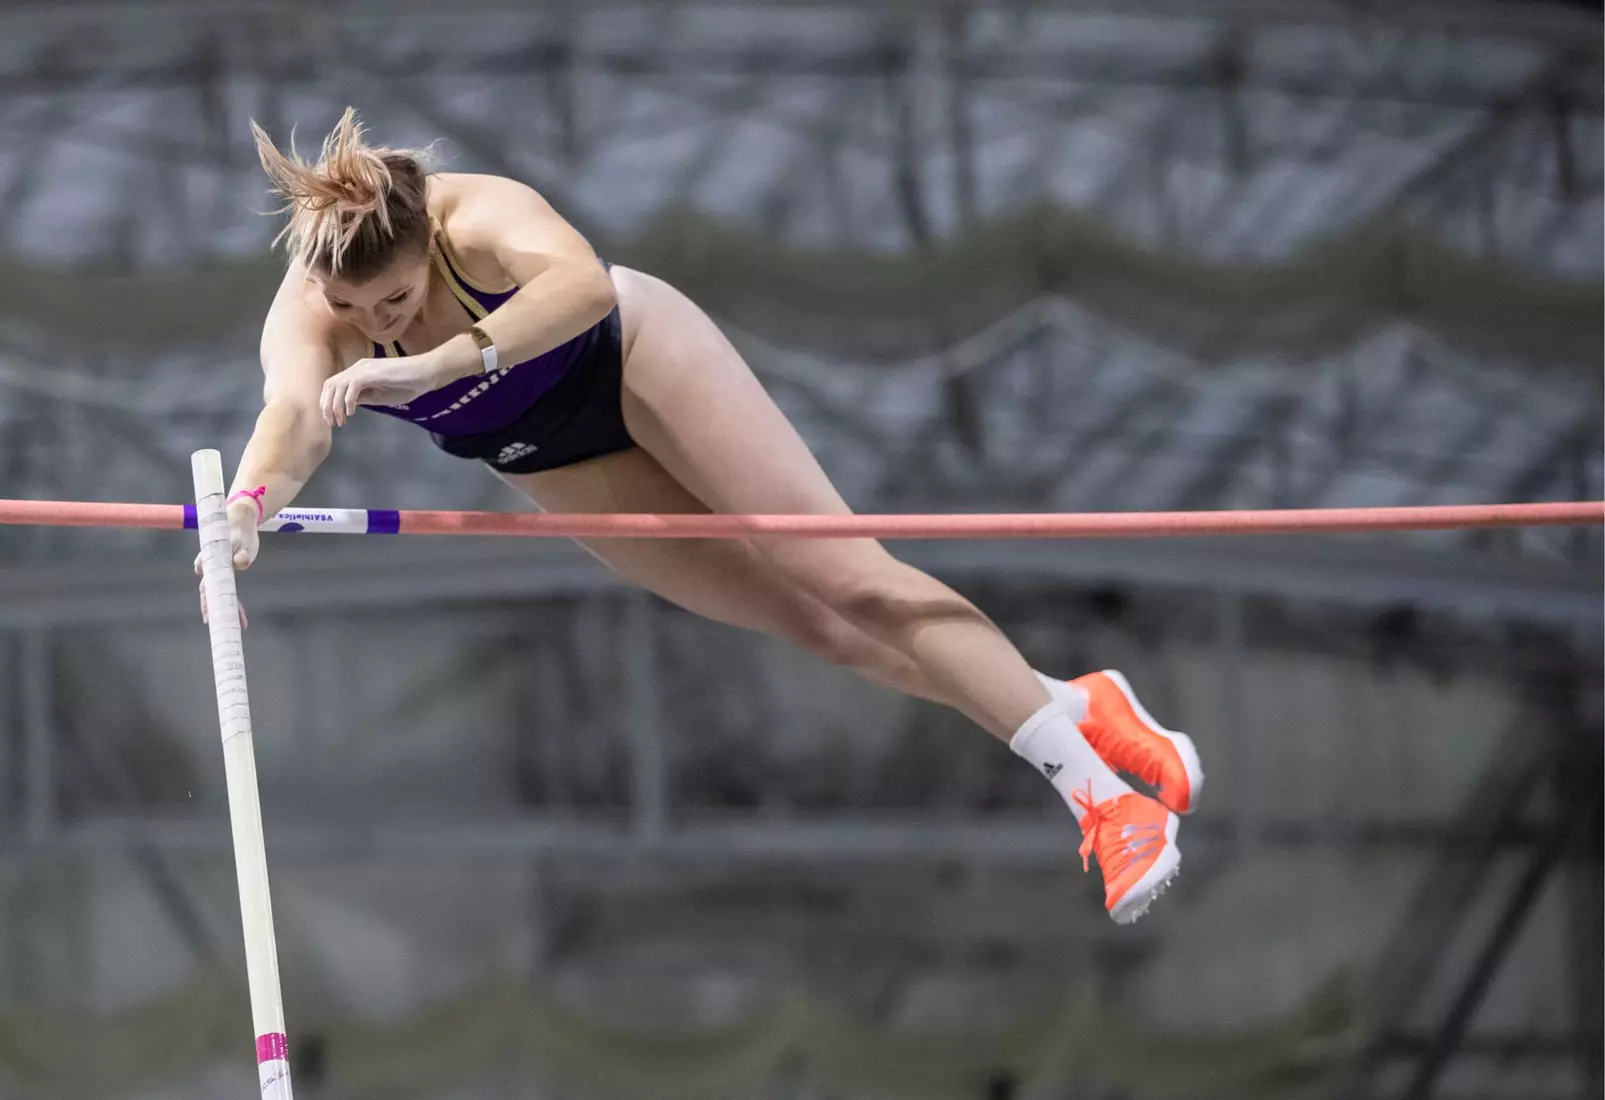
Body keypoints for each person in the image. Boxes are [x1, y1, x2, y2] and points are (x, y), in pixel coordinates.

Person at [205, 107, 1203, 924]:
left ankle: (1107, 801)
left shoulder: (476, 220)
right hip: (548, 452)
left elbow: (583, 286)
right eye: (357, 308)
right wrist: (246, 511)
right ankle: (1078, 703)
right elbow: (290, 417)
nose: (375, 323)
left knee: (851, 579)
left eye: (394, 297)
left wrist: (438, 361)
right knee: (824, 633)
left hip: (631, 356)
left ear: (427, 241)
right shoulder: (314, 306)